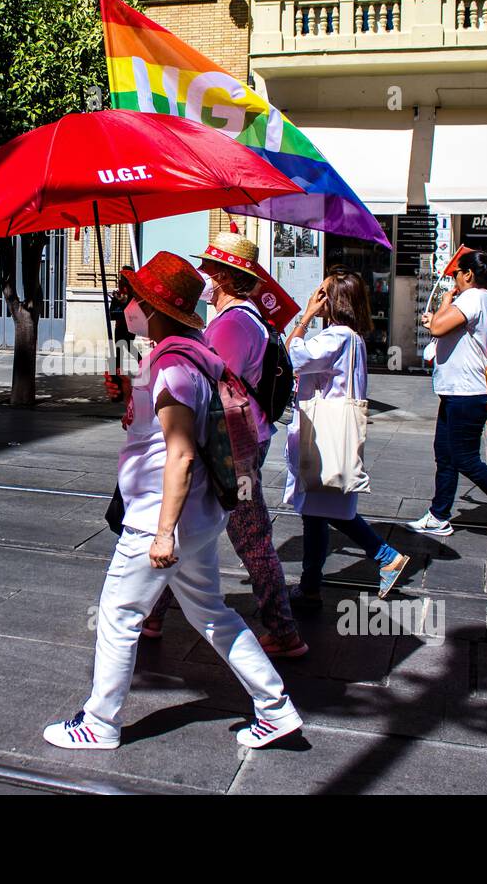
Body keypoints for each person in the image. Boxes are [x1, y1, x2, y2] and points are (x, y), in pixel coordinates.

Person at [43, 251, 302, 752]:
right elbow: (159, 431)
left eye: (137, 298)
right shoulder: (186, 353)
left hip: (160, 517)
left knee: (119, 615)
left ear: (158, 308)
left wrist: (163, 532)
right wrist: (132, 392)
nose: (128, 305)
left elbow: (180, 454)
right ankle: (275, 708)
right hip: (198, 516)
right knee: (211, 613)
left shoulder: (174, 366)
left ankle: (100, 722)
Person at [143, 233, 307, 658]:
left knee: (249, 536)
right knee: (189, 524)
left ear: (225, 278)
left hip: (231, 447)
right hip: (241, 440)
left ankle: (283, 630)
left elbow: (216, 387)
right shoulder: (249, 317)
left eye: (211, 271)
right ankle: (153, 614)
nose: (205, 279)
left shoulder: (233, 323)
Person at [285, 268, 410, 605]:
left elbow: (291, 356)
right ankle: (320, 581)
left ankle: (317, 584)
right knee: (326, 510)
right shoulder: (353, 338)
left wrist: (305, 317)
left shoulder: (335, 337)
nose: (318, 297)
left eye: (323, 293)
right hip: (338, 431)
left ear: (336, 300)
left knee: (319, 511)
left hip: (323, 434)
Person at [408, 249, 487, 546]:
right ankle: (439, 515)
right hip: (458, 391)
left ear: (467, 274)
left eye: (457, 272)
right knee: (445, 452)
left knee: (465, 459)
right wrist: (444, 303)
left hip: (469, 392)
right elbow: (445, 328)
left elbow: (439, 326)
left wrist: (436, 315)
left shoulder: (474, 297)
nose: (454, 277)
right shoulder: (477, 299)